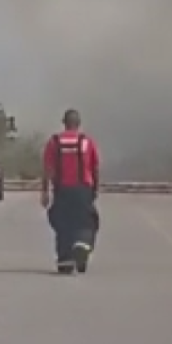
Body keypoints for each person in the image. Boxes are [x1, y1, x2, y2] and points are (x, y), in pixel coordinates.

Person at [40, 109, 100, 275]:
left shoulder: (54, 142)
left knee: (63, 224)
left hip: (62, 190)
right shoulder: (87, 142)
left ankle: (65, 260)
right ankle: (82, 245)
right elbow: (95, 167)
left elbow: (48, 169)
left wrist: (45, 192)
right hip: (83, 190)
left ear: (64, 123)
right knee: (87, 222)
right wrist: (94, 189)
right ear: (78, 124)